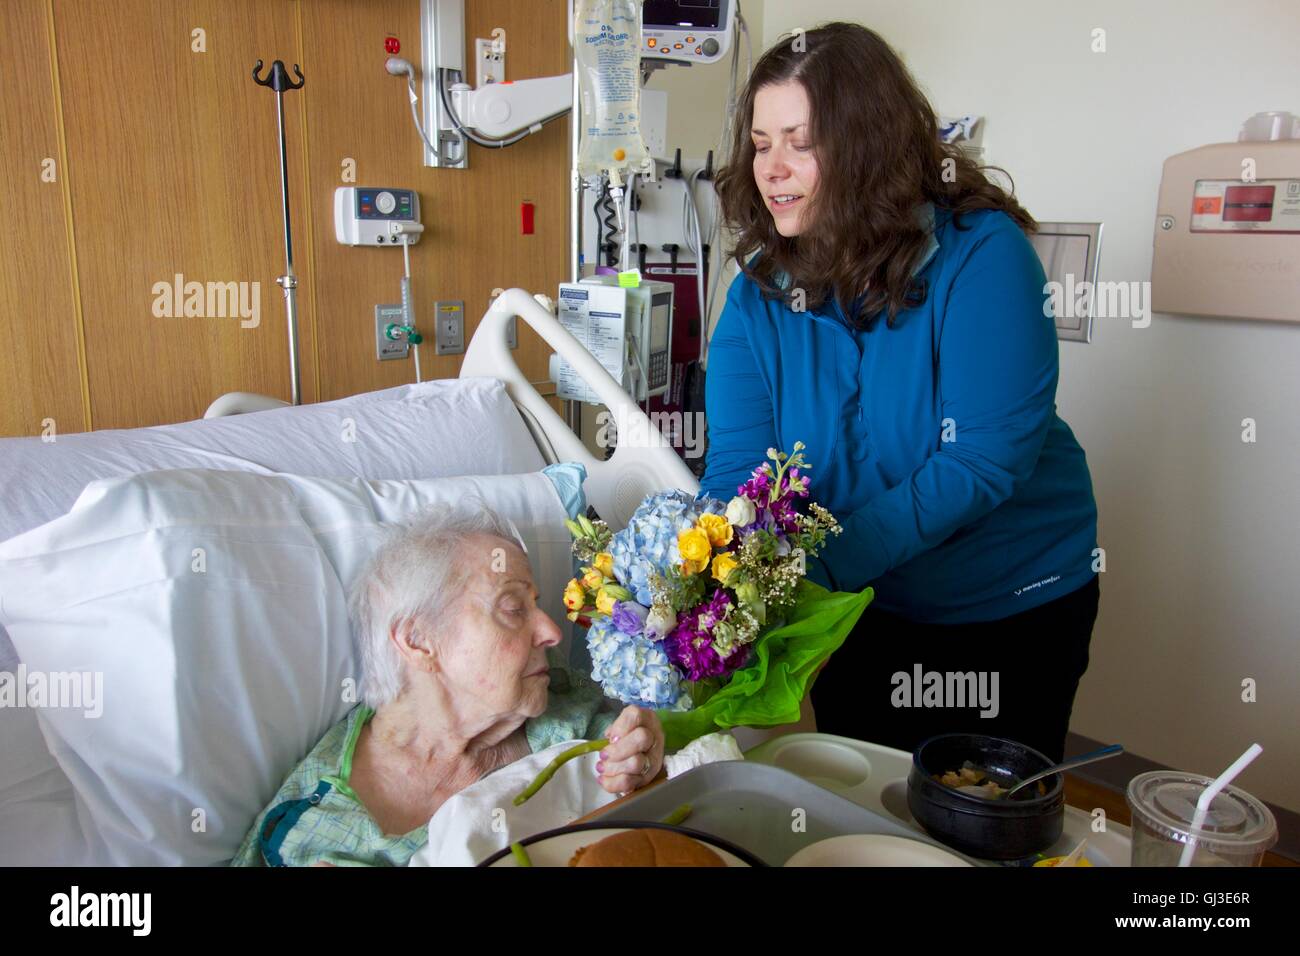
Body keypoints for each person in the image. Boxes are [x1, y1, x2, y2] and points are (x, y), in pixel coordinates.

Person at [701, 22, 1099, 763]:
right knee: (871, 811)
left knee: (978, 821)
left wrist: (815, 564)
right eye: (760, 144)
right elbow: (736, 469)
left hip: (1005, 601)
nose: (773, 169)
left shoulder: (982, 259)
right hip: (861, 603)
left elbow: (980, 462)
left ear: (864, 145)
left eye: (801, 141)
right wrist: (709, 572)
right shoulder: (759, 296)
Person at [232, 507, 664, 866]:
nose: (552, 631)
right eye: (514, 608)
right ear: (419, 640)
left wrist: (651, 755)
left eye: (536, 604)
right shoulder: (307, 827)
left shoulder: (571, 710)